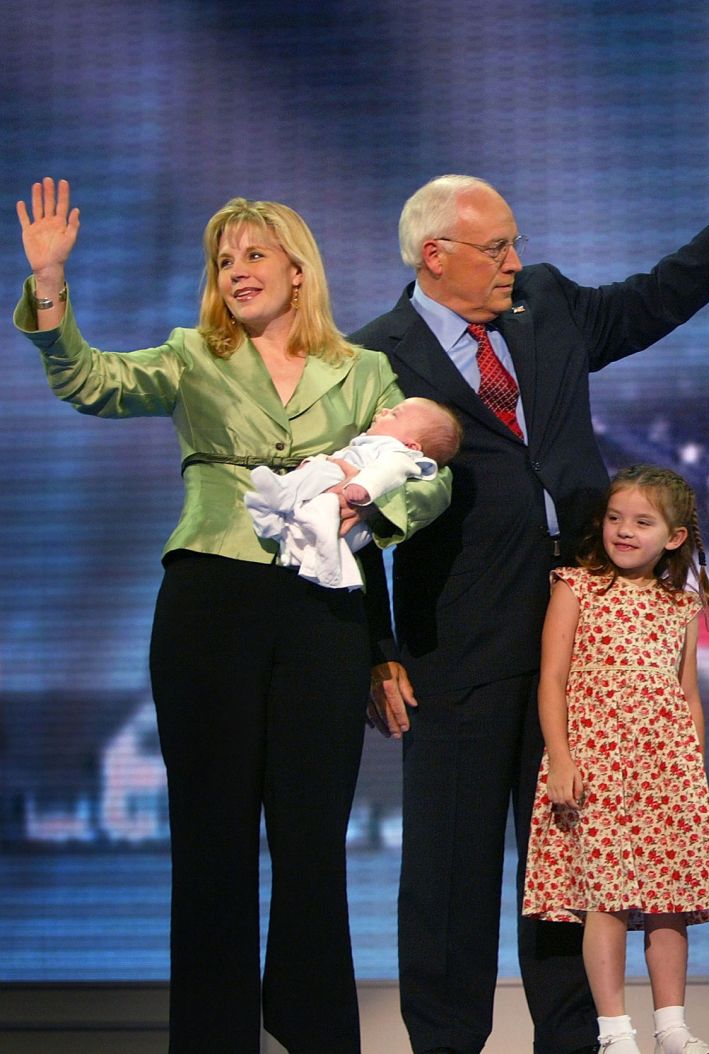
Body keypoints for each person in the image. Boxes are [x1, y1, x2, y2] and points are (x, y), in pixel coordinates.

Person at [350, 101, 709, 1054]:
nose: (513, 261)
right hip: (456, 644)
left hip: (585, 628)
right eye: (496, 248)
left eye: (514, 246)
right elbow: (356, 527)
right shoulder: (375, 359)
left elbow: (653, 298)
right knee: (450, 866)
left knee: (570, 858)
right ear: (436, 256)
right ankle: (447, 1041)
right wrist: (377, 650)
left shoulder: (545, 304)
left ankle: (576, 1040)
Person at [13, 179, 451, 1052]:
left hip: (324, 614)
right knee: (212, 845)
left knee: (312, 841)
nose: (237, 271)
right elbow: (91, 382)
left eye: (254, 256)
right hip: (211, 602)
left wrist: (373, 505)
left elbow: (430, 474)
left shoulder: (363, 372)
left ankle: (314, 1031)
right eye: (224, 261)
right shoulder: (191, 354)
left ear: (298, 269)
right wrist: (52, 284)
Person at [521, 465, 709, 1054]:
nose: (623, 531)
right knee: (606, 897)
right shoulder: (576, 586)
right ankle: (614, 1034)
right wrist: (560, 758)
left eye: (642, 521)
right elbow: (552, 678)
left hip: (665, 768)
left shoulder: (679, 606)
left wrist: (694, 772)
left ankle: (673, 1030)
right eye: (615, 518)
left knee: (670, 902)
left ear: (673, 537)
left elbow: (687, 693)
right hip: (597, 764)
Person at [246, 396, 462, 589]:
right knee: (322, 472)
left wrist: (365, 488)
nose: (384, 411)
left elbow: (387, 471)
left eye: (394, 414)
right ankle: (277, 514)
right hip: (327, 502)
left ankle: (285, 498)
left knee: (327, 475)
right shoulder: (366, 444)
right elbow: (340, 456)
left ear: (412, 445)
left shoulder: (398, 453)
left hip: (351, 514)